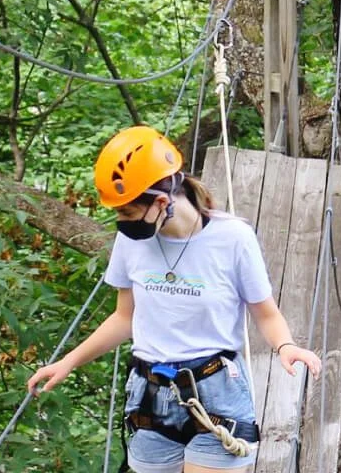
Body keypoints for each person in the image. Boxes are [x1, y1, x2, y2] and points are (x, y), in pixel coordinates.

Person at [27, 126, 320, 473]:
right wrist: (69, 362)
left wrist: (285, 346)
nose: (121, 223)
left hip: (217, 390)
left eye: (127, 214)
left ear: (161, 202)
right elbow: (124, 318)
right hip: (151, 394)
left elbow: (265, 313)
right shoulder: (131, 242)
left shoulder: (233, 238)